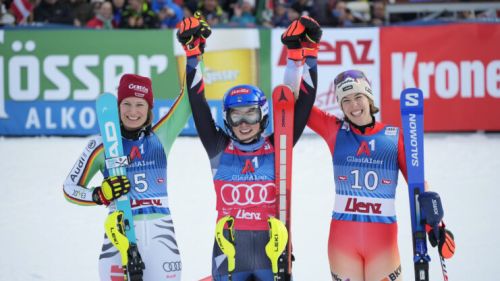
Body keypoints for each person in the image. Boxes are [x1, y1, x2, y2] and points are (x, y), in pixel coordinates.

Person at [176, 15, 321, 280]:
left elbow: (302, 103)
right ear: (226, 119)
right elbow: (197, 103)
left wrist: (308, 54)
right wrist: (192, 55)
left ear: (263, 115)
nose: (243, 124)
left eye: (251, 115)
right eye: (236, 116)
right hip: (229, 253)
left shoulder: (279, 146)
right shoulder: (219, 147)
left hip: (272, 252)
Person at [286, 69, 456, 280]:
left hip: (382, 243)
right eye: (345, 100)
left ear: (369, 98)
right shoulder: (335, 131)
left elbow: (418, 185)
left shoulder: (394, 138)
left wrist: (436, 225)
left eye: (358, 97)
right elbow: (295, 101)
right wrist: (302, 58)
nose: (353, 105)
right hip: (343, 243)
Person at [63, 73, 191, 280]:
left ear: (149, 109)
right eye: (126, 104)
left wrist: (194, 55)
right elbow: (69, 189)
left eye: (140, 104)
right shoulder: (100, 146)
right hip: (118, 242)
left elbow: (187, 100)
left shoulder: (161, 137)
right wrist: (99, 195)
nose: (133, 112)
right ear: (118, 107)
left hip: (162, 240)